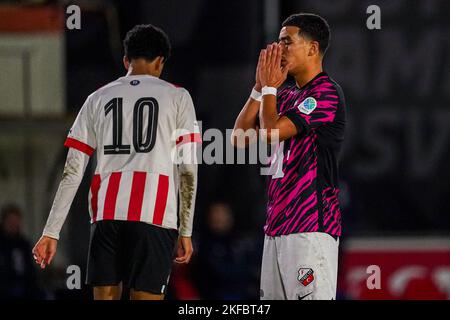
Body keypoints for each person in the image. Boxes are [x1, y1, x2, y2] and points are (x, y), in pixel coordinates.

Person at [32, 24, 200, 300]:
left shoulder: (96, 98)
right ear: (160, 62)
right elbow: (188, 171)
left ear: (126, 61)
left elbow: (72, 171)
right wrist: (186, 230)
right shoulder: (178, 97)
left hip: (107, 215)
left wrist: (51, 232)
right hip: (155, 216)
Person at [232, 13, 346, 300]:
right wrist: (260, 88)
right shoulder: (283, 97)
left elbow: (270, 131)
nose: (279, 49)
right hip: (277, 227)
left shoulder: (325, 92)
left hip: (310, 227)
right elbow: (239, 138)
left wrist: (270, 88)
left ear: (312, 48)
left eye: (287, 41)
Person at [0, 204, 40, 298]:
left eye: (16, 222)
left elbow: (30, 270)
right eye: (10, 221)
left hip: (24, 288)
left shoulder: (23, 244)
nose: (13, 225)